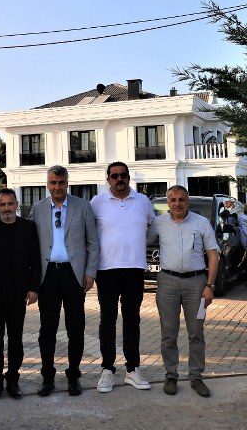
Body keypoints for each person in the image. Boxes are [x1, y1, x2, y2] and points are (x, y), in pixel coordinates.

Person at [29, 165, 99, 397]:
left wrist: (90, 273)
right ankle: (47, 377)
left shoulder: (83, 206)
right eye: (53, 183)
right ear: (47, 184)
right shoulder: (38, 208)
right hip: (48, 275)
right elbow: (29, 241)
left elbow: (93, 243)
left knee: (76, 328)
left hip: (73, 275)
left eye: (61, 182)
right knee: (47, 330)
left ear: (67, 183)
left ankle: (74, 376)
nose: (57, 187)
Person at [147, 185, 219, 397]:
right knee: (168, 333)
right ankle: (171, 375)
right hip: (167, 284)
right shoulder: (158, 223)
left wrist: (209, 286)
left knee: (197, 333)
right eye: (173, 200)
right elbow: (142, 241)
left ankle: (196, 376)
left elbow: (213, 255)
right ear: (167, 202)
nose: (177, 203)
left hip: (197, 285)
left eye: (181, 199)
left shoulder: (202, 222)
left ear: (188, 201)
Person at [90, 161, 155, 393]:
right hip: (106, 270)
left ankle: (133, 369)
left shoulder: (143, 201)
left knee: (132, 320)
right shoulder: (97, 202)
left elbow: (152, 228)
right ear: (108, 179)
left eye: (123, 175)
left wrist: (137, 245)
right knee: (107, 321)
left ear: (128, 177)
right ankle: (107, 369)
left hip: (134, 269)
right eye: (115, 175)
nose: (119, 179)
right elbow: (89, 234)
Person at [0, 188, 41, 399]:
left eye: (10, 204)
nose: (7, 208)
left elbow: (36, 259)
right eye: (2, 204)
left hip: (18, 294)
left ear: (16, 205)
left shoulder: (28, 228)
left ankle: (13, 378)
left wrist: (34, 288)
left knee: (16, 339)